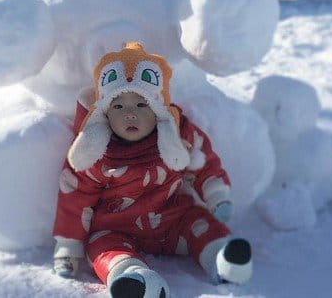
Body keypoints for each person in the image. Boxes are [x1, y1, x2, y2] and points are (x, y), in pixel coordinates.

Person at [52, 42, 253, 298]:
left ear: (159, 108)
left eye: (141, 105)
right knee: (101, 246)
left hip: (173, 219)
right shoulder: (95, 153)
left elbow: (202, 161)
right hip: (116, 227)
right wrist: (68, 245)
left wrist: (215, 192)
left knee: (200, 223)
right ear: (103, 112)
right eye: (118, 106)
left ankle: (224, 257)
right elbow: (75, 196)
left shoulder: (176, 138)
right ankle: (131, 278)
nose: (130, 115)